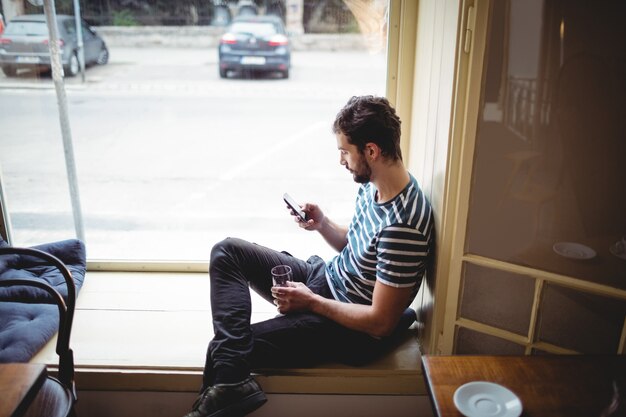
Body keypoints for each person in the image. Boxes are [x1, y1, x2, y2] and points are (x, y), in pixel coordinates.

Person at [184, 95, 434, 417]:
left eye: (345, 151)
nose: (342, 160)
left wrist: (310, 302)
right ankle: (232, 383)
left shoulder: (403, 226)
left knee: (224, 352)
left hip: (345, 328)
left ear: (371, 151)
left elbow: (381, 322)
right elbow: (355, 246)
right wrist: (323, 224)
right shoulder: (374, 185)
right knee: (227, 251)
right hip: (324, 278)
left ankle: (228, 383)